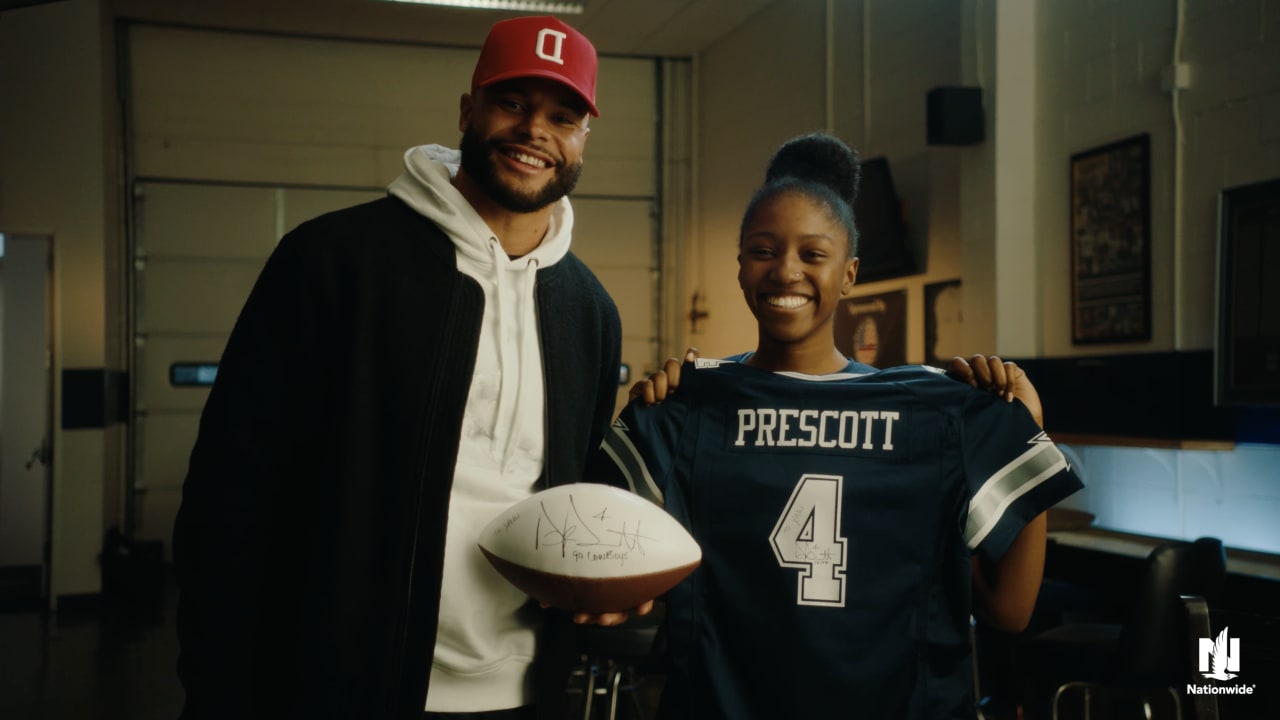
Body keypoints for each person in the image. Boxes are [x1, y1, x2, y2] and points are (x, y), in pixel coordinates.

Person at [172, 16, 630, 720]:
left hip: (522, 696)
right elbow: (229, 497)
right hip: (335, 686)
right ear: (467, 109)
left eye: (562, 116)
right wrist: (218, 686)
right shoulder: (331, 261)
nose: (535, 129)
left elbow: (574, 504)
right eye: (512, 103)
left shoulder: (591, 311)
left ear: (582, 140)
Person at [596, 133, 1083, 719]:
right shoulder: (689, 405)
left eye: (813, 254)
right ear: (741, 267)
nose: (786, 272)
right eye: (763, 250)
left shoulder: (933, 413)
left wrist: (1025, 432)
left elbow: (1009, 611)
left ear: (849, 273)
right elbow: (609, 577)